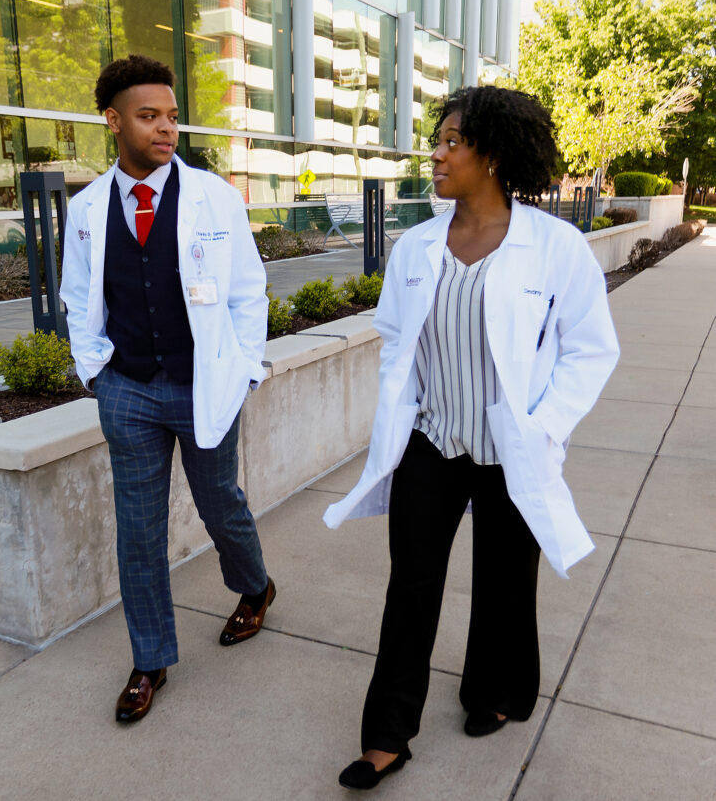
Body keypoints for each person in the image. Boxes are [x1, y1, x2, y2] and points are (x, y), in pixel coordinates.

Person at [324, 85, 619, 791]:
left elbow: (591, 349)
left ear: (492, 153)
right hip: (433, 441)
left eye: (453, 141)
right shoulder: (420, 244)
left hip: (511, 446)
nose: (437, 152)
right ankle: (387, 735)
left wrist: (545, 428)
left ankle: (492, 691)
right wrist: (402, 410)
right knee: (411, 585)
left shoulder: (554, 247)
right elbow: (398, 338)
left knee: (505, 582)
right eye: (439, 139)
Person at [61, 54, 275, 724]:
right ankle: (149, 660)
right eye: (149, 116)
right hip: (126, 391)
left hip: (203, 385)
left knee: (222, 506)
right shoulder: (88, 209)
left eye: (172, 116)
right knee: (139, 533)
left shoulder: (214, 196)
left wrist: (242, 370)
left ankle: (255, 586)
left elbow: (248, 293)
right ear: (113, 121)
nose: (166, 129)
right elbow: (78, 298)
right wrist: (97, 374)